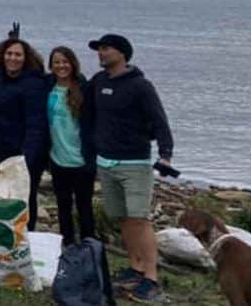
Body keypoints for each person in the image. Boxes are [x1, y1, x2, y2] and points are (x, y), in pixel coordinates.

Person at [89, 33, 173, 303]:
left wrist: (165, 155)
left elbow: (160, 121)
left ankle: (151, 278)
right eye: (99, 49)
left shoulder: (140, 86)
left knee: (139, 219)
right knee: (123, 218)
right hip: (106, 162)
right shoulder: (99, 81)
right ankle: (135, 268)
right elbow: (78, 99)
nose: (101, 53)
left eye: (106, 49)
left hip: (135, 163)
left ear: (123, 53)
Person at [0, 35, 49, 232]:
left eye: (17, 54)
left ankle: (27, 235)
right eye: (9, 53)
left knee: (24, 195)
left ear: (26, 58)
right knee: (1, 193)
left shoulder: (33, 83)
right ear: (1, 55)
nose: (12, 58)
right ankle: (6, 233)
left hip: (27, 150)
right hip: (2, 145)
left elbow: (36, 125)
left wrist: (26, 158)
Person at [46, 46, 97, 247]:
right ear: (51, 66)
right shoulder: (47, 87)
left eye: (65, 61)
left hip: (81, 159)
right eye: (57, 62)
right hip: (57, 158)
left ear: (73, 63)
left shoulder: (84, 88)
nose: (61, 66)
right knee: (63, 206)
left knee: (84, 206)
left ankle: (89, 247)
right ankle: (67, 245)